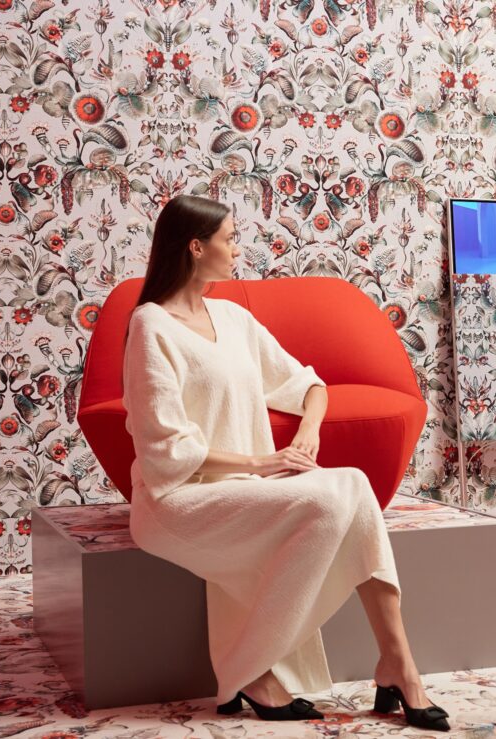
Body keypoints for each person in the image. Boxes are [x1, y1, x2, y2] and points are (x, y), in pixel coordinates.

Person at [122, 195, 449, 730]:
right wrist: (263, 461)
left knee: (355, 490)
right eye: (229, 238)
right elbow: (164, 450)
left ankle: (398, 662)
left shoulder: (232, 317)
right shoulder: (150, 326)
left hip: (248, 487)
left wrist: (309, 434)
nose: (237, 249)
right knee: (343, 493)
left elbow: (308, 384)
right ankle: (256, 670)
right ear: (196, 247)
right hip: (178, 500)